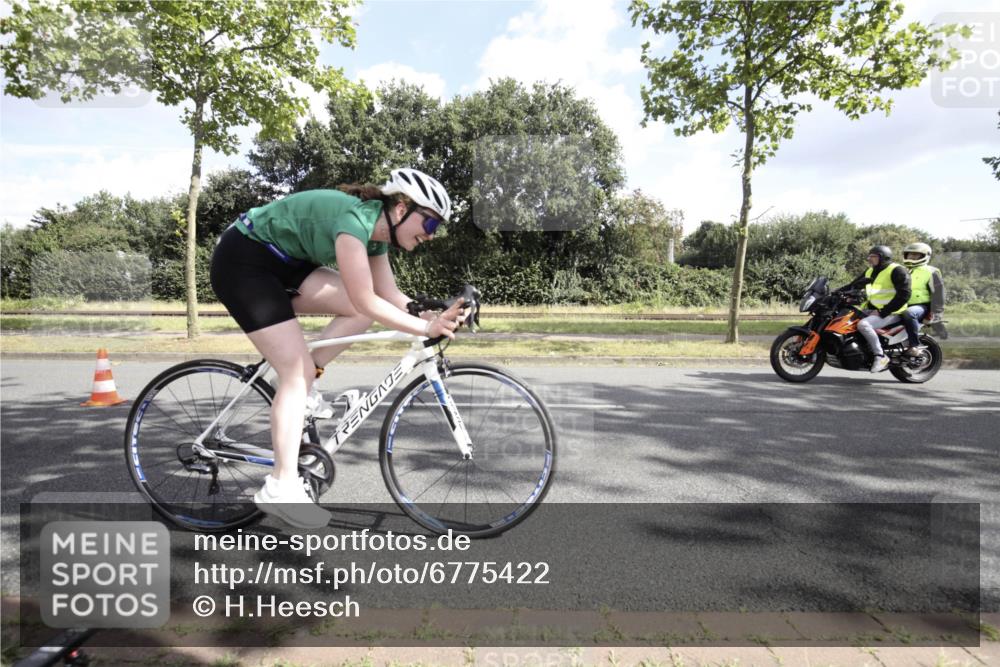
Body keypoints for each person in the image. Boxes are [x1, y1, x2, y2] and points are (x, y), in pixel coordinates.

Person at [210, 168, 466, 529]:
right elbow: (366, 299)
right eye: (430, 225)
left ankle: (304, 385)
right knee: (295, 371)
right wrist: (425, 328)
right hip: (244, 262)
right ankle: (280, 486)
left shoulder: (377, 235)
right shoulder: (353, 222)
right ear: (401, 208)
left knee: (328, 347)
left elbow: (389, 297)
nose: (431, 236)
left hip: (284, 263)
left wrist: (426, 313)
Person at [838, 245, 911, 373]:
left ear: (883, 258)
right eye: (869, 256)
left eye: (873, 256)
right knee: (847, 320)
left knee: (863, 325)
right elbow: (853, 285)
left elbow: (904, 295)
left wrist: (883, 311)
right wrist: (834, 293)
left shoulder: (897, 270)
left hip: (892, 312)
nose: (869, 259)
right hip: (873, 310)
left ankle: (880, 356)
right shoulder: (870, 271)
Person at [900, 242, 945, 357]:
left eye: (916, 255)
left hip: (921, 306)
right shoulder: (901, 270)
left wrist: (935, 314)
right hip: (901, 305)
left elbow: (938, 294)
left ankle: (914, 345)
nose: (911, 257)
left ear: (925, 256)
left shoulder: (931, 271)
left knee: (909, 313)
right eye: (910, 255)